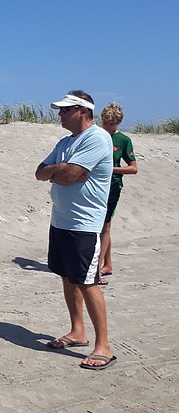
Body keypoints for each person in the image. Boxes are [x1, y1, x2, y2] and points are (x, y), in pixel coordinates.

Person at [35, 91, 116, 371]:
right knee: (68, 277)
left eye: (65, 110)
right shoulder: (65, 142)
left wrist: (61, 173)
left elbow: (69, 176)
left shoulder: (97, 138)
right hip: (61, 221)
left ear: (83, 111)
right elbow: (40, 172)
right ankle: (78, 331)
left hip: (84, 223)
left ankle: (103, 345)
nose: (60, 114)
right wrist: (60, 168)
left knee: (87, 281)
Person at [98, 102, 137, 283]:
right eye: (106, 123)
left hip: (113, 185)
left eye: (112, 124)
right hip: (97, 185)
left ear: (118, 123)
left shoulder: (123, 140)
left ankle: (97, 268)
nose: (109, 127)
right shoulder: (96, 136)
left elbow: (133, 168)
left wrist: (112, 169)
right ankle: (108, 264)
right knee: (103, 226)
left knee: (104, 225)